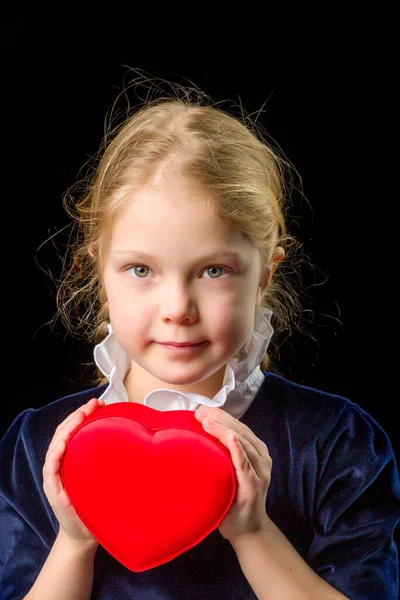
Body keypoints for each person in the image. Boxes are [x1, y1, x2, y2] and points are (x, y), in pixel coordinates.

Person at [1, 76, 399, 600]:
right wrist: (75, 542)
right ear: (99, 270)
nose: (177, 310)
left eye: (213, 271)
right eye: (141, 270)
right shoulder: (37, 446)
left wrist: (254, 534)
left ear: (264, 275)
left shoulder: (337, 442)